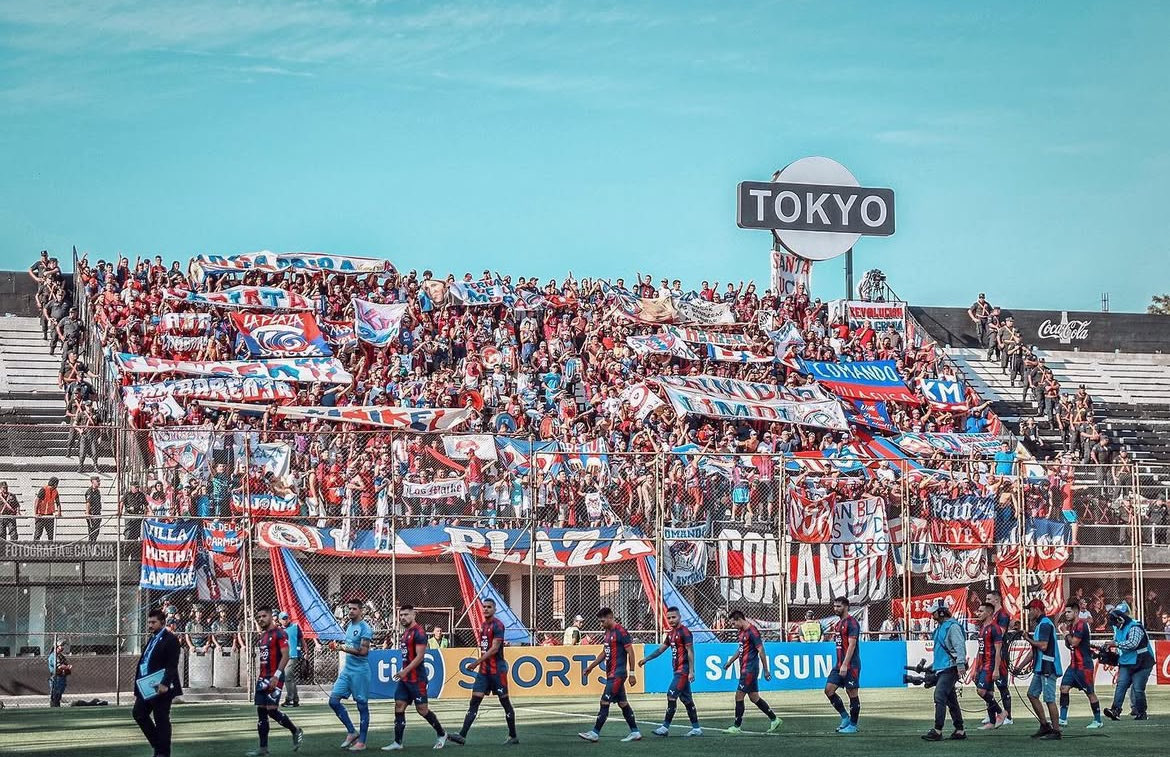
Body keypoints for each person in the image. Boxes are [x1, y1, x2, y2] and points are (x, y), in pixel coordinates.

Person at [447, 598, 519, 745]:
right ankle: (462, 735)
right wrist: (479, 665)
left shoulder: (498, 625)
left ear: (494, 609)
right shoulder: (484, 625)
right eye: (484, 607)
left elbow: (494, 649)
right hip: (484, 672)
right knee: (474, 701)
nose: (485, 609)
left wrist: (475, 663)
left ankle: (513, 736)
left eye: (489, 607)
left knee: (505, 702)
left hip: (497, 671)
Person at [384, 604, 446, 751]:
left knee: (422, 710)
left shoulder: (419, 632)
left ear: (414, 615)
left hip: (417, 679)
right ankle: (398, 742)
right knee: (399, 706)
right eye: (401, 615)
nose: (403, 617)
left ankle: (442, 734)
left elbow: (420, 657)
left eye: (406, 614)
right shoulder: (405, 633)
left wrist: (404, 671)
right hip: (405, 679)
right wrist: (404, 672)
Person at [578, 607, 641, 743]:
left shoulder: (621, 632)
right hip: (611, 673)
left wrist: (632, 673)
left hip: (617, 674)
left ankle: (595, 733)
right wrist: (591, 667)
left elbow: (631, 652)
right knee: (623, 703)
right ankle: (635, 732)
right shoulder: (607, 632)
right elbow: (604, 652)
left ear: (610, 617)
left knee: (604, 701)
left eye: (602, 621)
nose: (601, 624)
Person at [247, 607, 304, 757]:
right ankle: (263, 748)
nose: (260, 619)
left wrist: (277, 675)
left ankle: (294, 730)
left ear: (272, 617)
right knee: (261, 711)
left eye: (263, 616)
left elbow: (285, 656)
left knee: (271, 710)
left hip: (275, 677)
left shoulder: (280, 633)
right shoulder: (263, 635)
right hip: (262, 678)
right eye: (258, 617)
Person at [638, 606, 702, 737]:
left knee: (671, 695)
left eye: (674, 617)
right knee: (687, 700)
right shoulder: (671, 634)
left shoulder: (685, 632)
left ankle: (665, 727)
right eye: (669, 618)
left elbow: (690, 651)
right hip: (677, 670)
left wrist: (691, 671)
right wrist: (646, 659)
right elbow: (661, 649)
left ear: (679, 617)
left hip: (682, 670)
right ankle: (696, 728)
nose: (671, 620)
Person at [722, 609, 781, 735]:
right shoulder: (742, 632)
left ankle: (737, 726)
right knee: (754, 698)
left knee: (739, 696)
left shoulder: (752, 631)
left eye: (733, 623)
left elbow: (761, 650)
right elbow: (741, 649)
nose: (733, 626)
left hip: (749, 669)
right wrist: (730, 662)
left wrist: (766, 670)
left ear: (739, 619)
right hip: (745, 668)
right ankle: (774, 719)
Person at [133, 609, 183, 757]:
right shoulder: (152, 638)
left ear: (162, 622)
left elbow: (172, 664)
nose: (150, 625)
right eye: (149, 622)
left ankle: (162, 752)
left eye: (153, 622)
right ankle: (159, 745)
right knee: (138, 713)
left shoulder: (170, 639)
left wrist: (165, 683)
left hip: (160, 686)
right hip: (146, 685)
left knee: (161, 718)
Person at [329, 599, 373, 751]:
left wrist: (341, 648)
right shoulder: (349, 626)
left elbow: (363, 652)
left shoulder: (365, 628)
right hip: (347, 671)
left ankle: (362, 741)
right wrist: (337, 646)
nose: (351, 611)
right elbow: (348, 646)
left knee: (362, 706)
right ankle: (351, 731)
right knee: (333, 701)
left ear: (361, 611)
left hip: (360, 672)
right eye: (349, 609)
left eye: (354, 609)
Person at [922, 600, 966, 741]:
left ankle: (938, 730)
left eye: (934, 612)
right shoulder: (942, 627)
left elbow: (959, 647)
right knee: (951, 700)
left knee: (939, 695)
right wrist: (932, 667)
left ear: (940, 612)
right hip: (944, 667)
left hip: (950, 667)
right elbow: (942, 652)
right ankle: (959, 730)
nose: (932, 615)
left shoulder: (951, 627)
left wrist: (960, 665)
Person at [1103, 601, 1155, 721]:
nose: (1114, 626)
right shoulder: (1118, 627)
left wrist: (1115, 644)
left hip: (1142, 662)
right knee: (1121, 685)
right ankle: (1115, 710)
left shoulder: (1135, 627)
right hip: (1127, 661)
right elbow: (1117, 641)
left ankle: (1141, 712)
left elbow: (1133, 643)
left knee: (1137, 688)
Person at [1058, 599, 1103, 729]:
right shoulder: (1072, 626)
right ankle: (1062, 718)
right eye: (1065, 612)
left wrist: (1065, 633)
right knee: (1064, 688)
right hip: (1073, 666)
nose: (1066, 614)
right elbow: (1069, 645)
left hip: (1084, 666)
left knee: (1090, 693)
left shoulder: (1081, 625)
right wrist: (1066, 634)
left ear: (1076, 612)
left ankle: (1098, 720)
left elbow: (1074, 643)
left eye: (1069, 612)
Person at [1025, 599, 1063, 740]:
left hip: (1048, 667)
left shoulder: (1045, 624)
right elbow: (1035, 649)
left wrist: (1028, 639)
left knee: (1049, 699)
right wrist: (1019, 667)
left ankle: (1056, 731)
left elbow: (1043, 646)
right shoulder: (1042, 624)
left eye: (1030, 610)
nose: (1029, 613)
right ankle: (1045, 725)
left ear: (1036, 609)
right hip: (1042, 667)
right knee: (1032, 694)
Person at [824, 597, 861, 734]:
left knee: (852, 693)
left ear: (846, 607)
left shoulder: (852, 623)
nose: (836, 609)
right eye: (835, 606)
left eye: (839, 606)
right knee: (829, 690)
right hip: (838, 665)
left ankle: (853, 725)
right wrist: (840, 665)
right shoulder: (838, 624)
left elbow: (852, 645)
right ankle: (845, 717)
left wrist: (845, 664)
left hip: (851, 665)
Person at [972, 602, 1006, 729]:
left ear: (989, 612)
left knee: (981, 691)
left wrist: (996, 669)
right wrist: (976, 668)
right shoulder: (982, 628)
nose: (978, 613)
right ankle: (992, 722)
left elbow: (998, 650)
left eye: (981, 611)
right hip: (982, 665)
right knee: (989, 693)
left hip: (990, 664)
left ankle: (1001, 712)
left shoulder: (994, 628)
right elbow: (979, 649)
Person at [985, 589, 1014, 724]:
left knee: (1002, 685)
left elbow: (1000, 633)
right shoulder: (991, 615)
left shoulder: (1002, 615)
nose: (986, 602)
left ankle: (1008, 716)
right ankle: (991, 714)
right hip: (989, 654)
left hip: (1000, 654)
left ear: (996, 600)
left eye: (989, 599)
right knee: (987, 685)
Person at [279, 612, 301, 708]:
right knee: (290, 677)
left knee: (287, 676)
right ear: (280, 620)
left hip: (293, 655)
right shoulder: (278, 630)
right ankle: (295, 699)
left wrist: (306, 653)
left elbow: (302, 639)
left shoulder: (295, 627)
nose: (285, 620)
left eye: (287, 618)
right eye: (283, 618)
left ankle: (290, 699)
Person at [33, 477, 61, 541]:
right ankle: (35, 548)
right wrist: (36, 513)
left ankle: (50, 549)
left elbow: (58, 503)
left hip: (49, 515)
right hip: (41, 515)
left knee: (50, 535)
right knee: (38, 534)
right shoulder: (43, 489)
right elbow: (37, 501)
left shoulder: (55, 491)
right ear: (55, 484)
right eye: (57, 484)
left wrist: (59, 513)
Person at [47, 639, 70, 707]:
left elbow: (65, 664)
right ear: (56, 646)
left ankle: (57, 705)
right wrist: (66, 667)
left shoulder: (61, 656)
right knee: (55, 694)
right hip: (56, 677)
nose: (62, 647)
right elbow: (59, 666)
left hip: (62, 677)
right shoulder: (53, 656)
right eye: (61, 646)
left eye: (63, 646)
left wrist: (67, 668)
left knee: (59, 694)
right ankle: (54, 706)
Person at [85, 476, 102, 542]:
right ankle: (90, 547)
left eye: (99, 481)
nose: (99, 482)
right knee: (92, 532)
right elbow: (88, 503)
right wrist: (87, 513)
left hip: (97, 513)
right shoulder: (90, 491)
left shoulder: (97, 491)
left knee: (96, 532)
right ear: (93, 482)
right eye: (97, 481)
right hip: (92, 514)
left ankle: (93, 545)